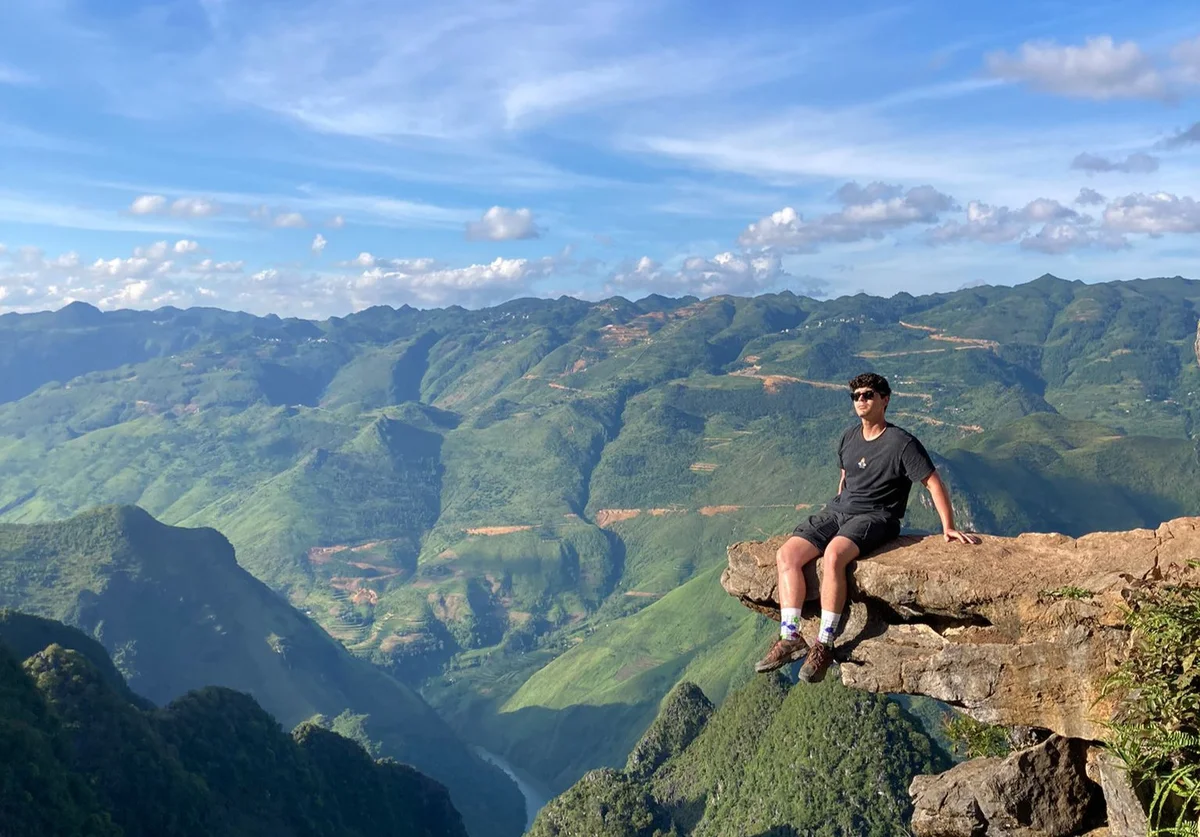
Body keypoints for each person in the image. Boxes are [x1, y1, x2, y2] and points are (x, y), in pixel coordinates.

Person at [754, 372, 979, 683]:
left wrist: (949, 527)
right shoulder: (848, 437)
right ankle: (790, 636)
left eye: (868, 395)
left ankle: (824, 643)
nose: (861, 400)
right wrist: (836, 505)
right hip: (839, 511)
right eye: (856, 396)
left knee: (834, 555)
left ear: (884, 400)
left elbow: (933, 482)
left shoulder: (902, 443)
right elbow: (845, 478)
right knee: (787, 555)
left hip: (877, 517)